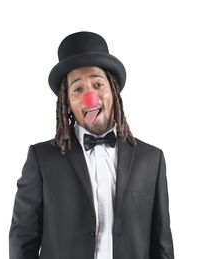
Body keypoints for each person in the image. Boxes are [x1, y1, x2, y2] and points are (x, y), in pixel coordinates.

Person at [9, 31, 175, 259]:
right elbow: (23, 239)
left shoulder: (152, 159)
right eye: (78, 89)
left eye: (98, 84)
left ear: (113, 92)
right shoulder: (41, 158)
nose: (90, 96)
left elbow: (162, 242)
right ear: (67, 103)